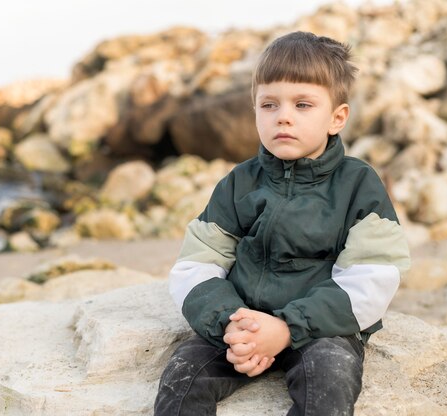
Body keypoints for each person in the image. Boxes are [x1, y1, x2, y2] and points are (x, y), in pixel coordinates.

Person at [154, 31, 411, 416]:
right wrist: (229, 324)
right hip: (241, 320)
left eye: (303, 104)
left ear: (337, 118)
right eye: (269, 104)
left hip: (322, 327)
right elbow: (198, 264)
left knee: (330, 382)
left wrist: (289, 328)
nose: (283, 116)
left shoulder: (358, 185)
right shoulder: (240, 182)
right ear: (254, 109)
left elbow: (371, 277)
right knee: (181, 379)